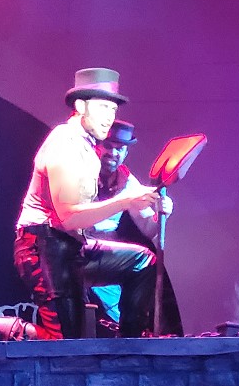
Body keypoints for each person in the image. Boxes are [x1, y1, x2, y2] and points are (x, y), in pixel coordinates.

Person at [13, 67, 160, 339]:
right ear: (81, 106)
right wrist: (125, 201)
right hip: (43, 246)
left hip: (70, 247)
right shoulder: (66, 142)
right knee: (66, 343)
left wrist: (159, 211)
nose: (109, 117)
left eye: (113, 109)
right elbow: (69, 217)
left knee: (142, 261)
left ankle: (127, 347)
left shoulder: (89, 149)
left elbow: (149, 228)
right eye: (103, 107)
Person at [86, 120, 184, 336]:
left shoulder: (128, 183)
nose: (113, 153)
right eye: (108, 146)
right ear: (97, 145)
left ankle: (130, 338)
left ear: (126, 152)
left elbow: (149, 229)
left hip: (108, 259)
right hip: (76, 248)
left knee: (117, 318)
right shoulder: (80, 172)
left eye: (120, 148)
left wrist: (162, 214)